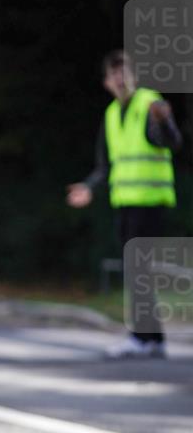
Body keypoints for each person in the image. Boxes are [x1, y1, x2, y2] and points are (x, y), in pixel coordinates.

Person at [67, 50, 182, 359]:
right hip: (126, 203)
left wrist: (166, 123)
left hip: (150, 201)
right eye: (114, 73)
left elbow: (171, 141)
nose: (120, 78)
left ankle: (141, 338)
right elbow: (106, 166)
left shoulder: (149, 103)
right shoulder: (111, 115)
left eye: (125, 72)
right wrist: (89, 189)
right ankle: (152, 339)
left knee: (137, 269)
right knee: (138, 270)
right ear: (106, 82)